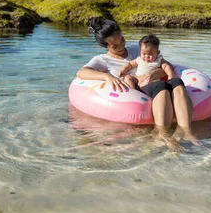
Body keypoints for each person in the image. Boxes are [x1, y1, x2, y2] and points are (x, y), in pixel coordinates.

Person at [76, 17, 202, 150]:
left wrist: (150, 75)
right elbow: (82, 73)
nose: (121, 47)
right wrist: (107, 76)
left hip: (155, 82)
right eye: (115, 46)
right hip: (139, 91)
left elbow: (162, 64)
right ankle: (162, 133)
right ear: (105, 46)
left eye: (122, 40)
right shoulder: (102, 60)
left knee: (177, 81)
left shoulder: (139, 49)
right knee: (161, 86)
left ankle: (186, 132)